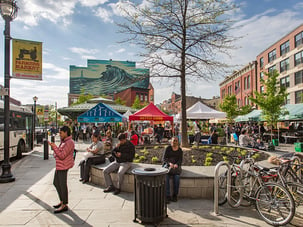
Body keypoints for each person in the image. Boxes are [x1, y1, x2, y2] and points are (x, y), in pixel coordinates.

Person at [48, 126, 74, 213]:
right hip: (59, 165)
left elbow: (62, 155)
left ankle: (65, 204)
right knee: (56, 183)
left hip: (63, 166)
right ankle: (62, 200)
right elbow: (59, 153)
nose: (60, 134)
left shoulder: (69, 142)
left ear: (66, 132)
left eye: (61, 133)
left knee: (62, 184)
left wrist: (54, 147)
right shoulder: (64, 142)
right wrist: (55, 148)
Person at [163, 136, 183, 203]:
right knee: (166, 177)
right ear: (171, 141)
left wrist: (176, 164)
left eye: (176, 141)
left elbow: (180, 160)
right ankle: (167, 196)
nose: (174, 142)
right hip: (168, 166)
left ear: (178, 142)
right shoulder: (168, 148)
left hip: (175, 167)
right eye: (173, 141)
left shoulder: (180, 150)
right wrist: (169, 163)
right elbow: (164, 159)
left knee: (177, 177)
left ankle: (175, 195)